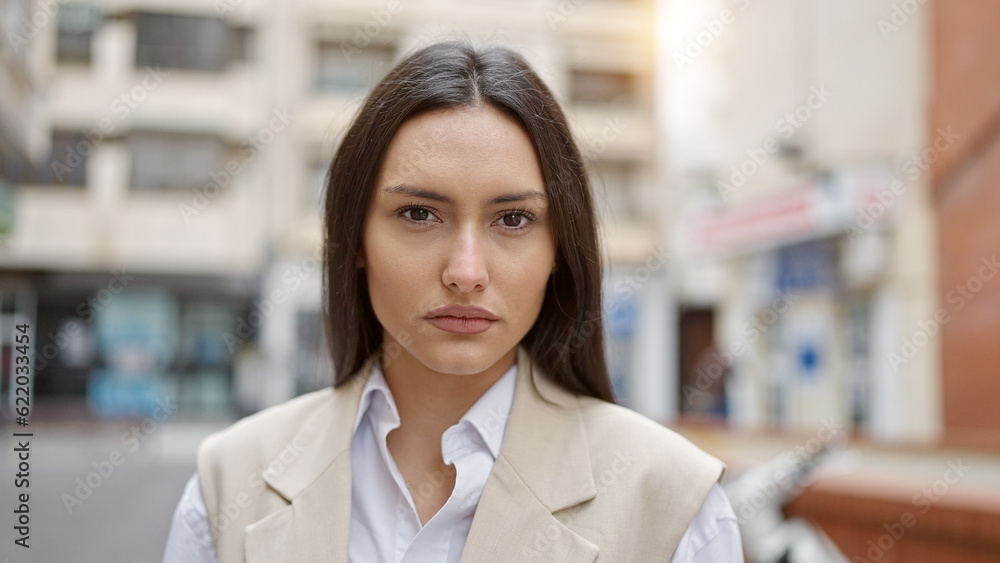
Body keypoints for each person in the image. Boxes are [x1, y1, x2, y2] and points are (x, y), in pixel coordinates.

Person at [163, 40, 742, 562]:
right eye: (418, 214)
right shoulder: (228, 485)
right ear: (357, 238)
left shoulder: (674, 506)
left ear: (559, 248)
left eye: (513, 219)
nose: (466, 273)